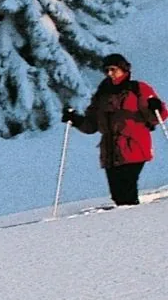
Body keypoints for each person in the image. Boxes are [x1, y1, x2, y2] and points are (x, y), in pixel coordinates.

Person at [65, 53, 163, 207]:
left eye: (113, 69)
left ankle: (134, 221)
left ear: (124, 69)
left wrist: (156, 107)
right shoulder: (102, 94)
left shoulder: (138, 89)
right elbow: (91, 125)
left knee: (127, 188)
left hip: (134, 146)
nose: (109, 74)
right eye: (106, 70)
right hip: (110, 151)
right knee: (117, 194)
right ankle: (127, 222)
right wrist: (76, 120)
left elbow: (157, 117)